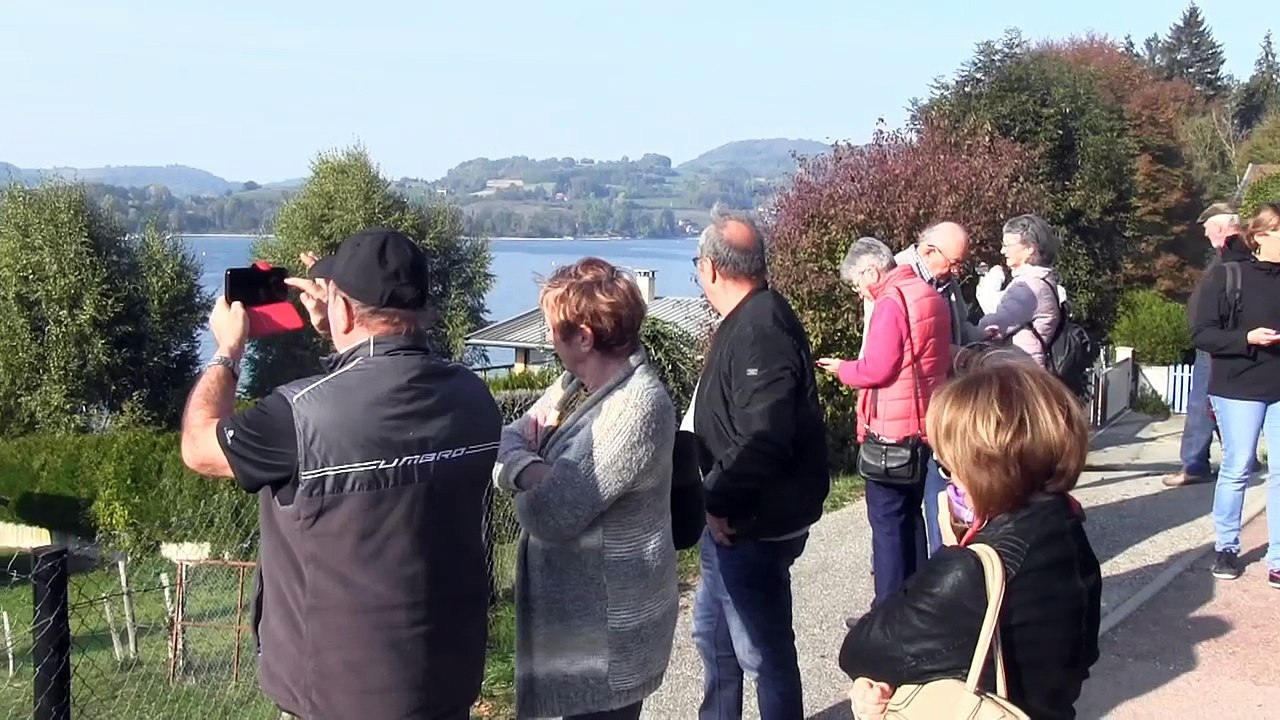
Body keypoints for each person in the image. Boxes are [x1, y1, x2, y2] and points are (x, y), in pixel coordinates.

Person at [179, 227, 502, 720]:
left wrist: (228, 349)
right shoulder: (474, 400)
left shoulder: (297, 416)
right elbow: (373, 398)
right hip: (446, 683)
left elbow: (199, 446)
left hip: (335, 695)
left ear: (346, 310)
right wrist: (340, 334)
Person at [839, 360, 1102, 720]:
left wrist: (951, 551)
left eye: (949, 468)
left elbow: (860, 649)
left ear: (984, 467)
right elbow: (1084, 656)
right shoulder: (1066, 521)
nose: (950, 482)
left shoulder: (973, 568)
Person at [492, 257, 679, 720]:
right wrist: (532, 469)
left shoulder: (636, 406)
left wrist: (519, 472)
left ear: (584, 337)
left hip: (609, 642)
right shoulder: (575, 385)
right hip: (583, 634)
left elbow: (550, 513)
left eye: (551, 329)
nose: (548, 340)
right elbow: (509, 436)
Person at [690, 206, 829, 720]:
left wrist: (718, 501)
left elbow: (766, 437)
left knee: (763, 653)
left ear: (710, 268)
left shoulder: (760, 329)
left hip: (749, 522)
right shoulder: (751, 317)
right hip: (738, 519)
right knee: (714, 636)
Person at [816, 237, 952, 612]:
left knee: (888, 526)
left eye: (858, 284)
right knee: (911, 520)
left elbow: (877, 368)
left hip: (892, 433)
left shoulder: (891, 303)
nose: (860, 293)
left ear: (872, 271)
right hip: (923, 424)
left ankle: (889, 615)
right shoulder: (928, 296)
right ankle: (918, 606)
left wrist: (843, 369)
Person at [1190, 203, 1280, 585]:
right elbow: (1202, 334)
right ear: (1261, 235)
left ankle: (1278, 556)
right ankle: (1226, 547)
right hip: (1237, 385)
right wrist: (1246, 337)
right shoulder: (1227, 275)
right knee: (1238, 466)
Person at [881, 221, 981, 557]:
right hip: (911, 408)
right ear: (927, 251)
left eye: (960, 264)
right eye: (953, 263)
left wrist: (980, 342)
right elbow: (900, 350)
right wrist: (959, 354)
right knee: (906, 507)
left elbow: (959, 326)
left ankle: (942, 562)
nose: (956, 271)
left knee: (943, 490)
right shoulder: (895, 278)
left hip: (944, 402)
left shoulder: (946, 280)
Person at [1163, 202, 1258, 488]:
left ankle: (1194, 464)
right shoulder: (1241, 256)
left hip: (1218, 340)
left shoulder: (1229, 259)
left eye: (1206, 229)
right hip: (1227, 338)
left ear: (1219, 228)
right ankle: (1245, 458)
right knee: (1223, 401)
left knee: (1202, 403)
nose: (1205, 235)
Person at [977, 214, 1064, 369]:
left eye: (1007, 245)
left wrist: (987, 288)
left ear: (1030, 248)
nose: (1002, 251)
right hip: (1025, 369)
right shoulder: (1040, 281)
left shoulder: (1029, 287)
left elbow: (994, 324)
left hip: (1019, 372)